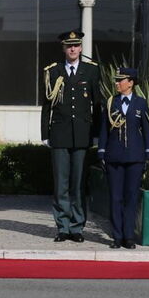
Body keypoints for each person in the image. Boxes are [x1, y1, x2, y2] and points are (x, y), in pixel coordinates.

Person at [40, 29, 102, 242]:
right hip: (59, 133)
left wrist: (97, 134)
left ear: (81, 48)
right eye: (69, 46)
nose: (73, 49)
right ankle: (62, 227)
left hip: (83, 135)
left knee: (78, 184)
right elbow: (47, 105)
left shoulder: (91, 70)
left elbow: (98, 105)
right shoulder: (53, 71)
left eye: (76, 45)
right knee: (61, 184)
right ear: (64, 48)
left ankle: (77, 228)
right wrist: (45, 133)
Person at [98, 67, 149, 250]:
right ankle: (117, 236)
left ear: (131, 82)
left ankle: (129, 236)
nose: (117, 83)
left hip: (135, 156)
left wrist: (148, 152)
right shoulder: (111, 102)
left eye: (121, 80)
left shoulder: (141, 103)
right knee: (115, 197)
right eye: (116, 80)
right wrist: (101, 151)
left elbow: (147, 129)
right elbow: (104, 130)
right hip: (114, 156)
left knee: (131, 197)